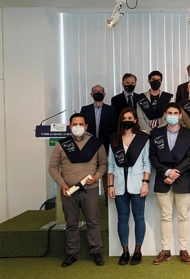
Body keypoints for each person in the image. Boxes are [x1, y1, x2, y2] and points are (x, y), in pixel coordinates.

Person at [48, 113, 107, 267]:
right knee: (71, 223)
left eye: (81, 124)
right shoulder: (61, 145)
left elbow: (103, 164)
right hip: (69, 191)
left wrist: (97, 176)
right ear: (70, 126)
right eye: (75, 124)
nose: (78, 127)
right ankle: (72, 253)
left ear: (86, 126)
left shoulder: (96, 144)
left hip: (91, 189)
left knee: (93, 222)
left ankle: (97, 252)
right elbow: (53, 167)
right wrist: (62, 184)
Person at [149, 103, 190, 265]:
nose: (173, 115)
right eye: (170, 112)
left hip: (182, 179)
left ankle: (183, 250)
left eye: (176, 113)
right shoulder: (155, 134)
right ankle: (166, 250)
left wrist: (175, 173)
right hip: (163, 179)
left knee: (183, 216)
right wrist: (167, 172)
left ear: (181, 115)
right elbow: (153, 157)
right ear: (165, 114)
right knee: (165, 216)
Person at [107, 107, 151, 265]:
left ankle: (137, 251)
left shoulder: (142, 139)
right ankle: (125, 251)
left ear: (135, 120)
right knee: (122, 218)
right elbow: (110, 165)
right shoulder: (114, 139)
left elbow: (147, 163)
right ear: (121, 120)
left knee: (139, 218)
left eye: (130, 118)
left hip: (138, 184)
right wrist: (110, 185)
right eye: (124, 118)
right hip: (119, 184)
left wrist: (145, 183)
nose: (127, 120)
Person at [80, 84, 117, 156]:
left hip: (106, 144)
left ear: (104, 94)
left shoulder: (111, 109)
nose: (98, 93)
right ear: (91, 94)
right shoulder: (85, 109)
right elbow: (83, 126)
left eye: (100, 91)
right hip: (88, 143)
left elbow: (113, 127)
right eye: (95, 91)